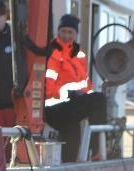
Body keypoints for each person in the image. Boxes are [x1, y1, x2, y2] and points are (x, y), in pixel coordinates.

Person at [44, 14, 107, 163]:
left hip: (70, 108)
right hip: (55, 108)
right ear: (58, 32)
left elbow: (85, 84)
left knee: (71, 149)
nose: (66, 35)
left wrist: (85, 95)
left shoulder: (79, 54)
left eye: (70, 32)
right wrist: (71, 93)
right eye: (63, 31)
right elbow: (49, 88)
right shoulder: (51, 52)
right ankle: (96, 149)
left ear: (76, 34)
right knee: (99, 99)